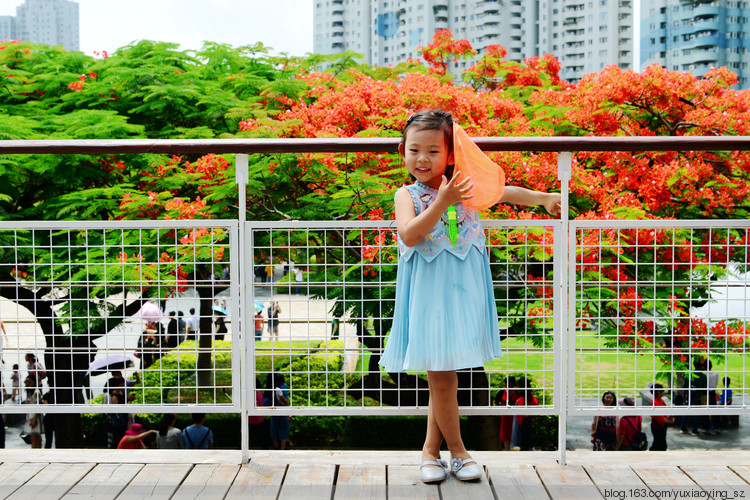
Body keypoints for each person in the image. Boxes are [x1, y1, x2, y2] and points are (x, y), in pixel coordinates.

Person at [378, 109, 561, 483]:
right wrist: (442, 202)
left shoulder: (464, 187)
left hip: (461, 295)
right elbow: (409, 235)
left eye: (433, 150)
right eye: (414, 150)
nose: (423, 159)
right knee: (442, 379)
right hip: (429, 298)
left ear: (450, 154)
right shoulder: (406, 194)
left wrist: (542, 198)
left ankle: (430, 452)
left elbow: (503, 192)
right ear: (402, 152)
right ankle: (458, 453)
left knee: (443, 377)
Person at [266, 373, 290, 450]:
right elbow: (285, 401)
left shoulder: (269, 389)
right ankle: (282, 448)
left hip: (273, 411)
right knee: (283, 429)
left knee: (274, 428)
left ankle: (275, 445)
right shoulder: (278, 390)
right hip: (281, 411)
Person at [650, 384, 674, 451]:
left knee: (660, 443)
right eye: (662, 391)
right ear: (658, 392)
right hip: (658, 426)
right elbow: (660, 418)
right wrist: (670, 421)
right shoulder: (655, 402)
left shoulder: (661, 401)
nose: (663, 392)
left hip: (662, 426)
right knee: (659, 444)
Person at [497, 376, 518, 451]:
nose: (507, 385)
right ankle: (506, 450)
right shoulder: (502, 392)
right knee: (505, 434)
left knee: (514, 432)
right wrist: (500, 408)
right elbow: (496, 401)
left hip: (514, 416)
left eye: (510, 383)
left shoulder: (517, 392)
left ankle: (514, 449)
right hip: (505, 416)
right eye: (506, 383)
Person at [23, 375, 43, 448]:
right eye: (26, 382)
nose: (27, 383)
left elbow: (39, 405)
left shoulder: (36, 392)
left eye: (29, 382)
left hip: (34, 416)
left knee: (34, 437)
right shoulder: (29, 392)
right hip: (30, 416)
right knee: (35, 436)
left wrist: (35, 418)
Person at [249, 377, 267, 449]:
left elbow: (254, 404)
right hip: (260, 418)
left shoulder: (252, 393)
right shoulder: (259, 392)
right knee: (261, 437)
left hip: (252, 419)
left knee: (248, 437)